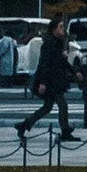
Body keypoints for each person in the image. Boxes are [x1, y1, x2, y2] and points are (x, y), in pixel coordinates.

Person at [16, 15, 75, 150]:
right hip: (50, 81)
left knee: (48, 107)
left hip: (54, 80)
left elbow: (61, 61)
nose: (63, 29)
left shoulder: (57, 42)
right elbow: (44, 63)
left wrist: (73, 71)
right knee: (62, 105)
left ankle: (24, 125)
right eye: (60, 27)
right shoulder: (49, 43)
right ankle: (65, 131)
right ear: (54, 29)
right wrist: (42, 82)